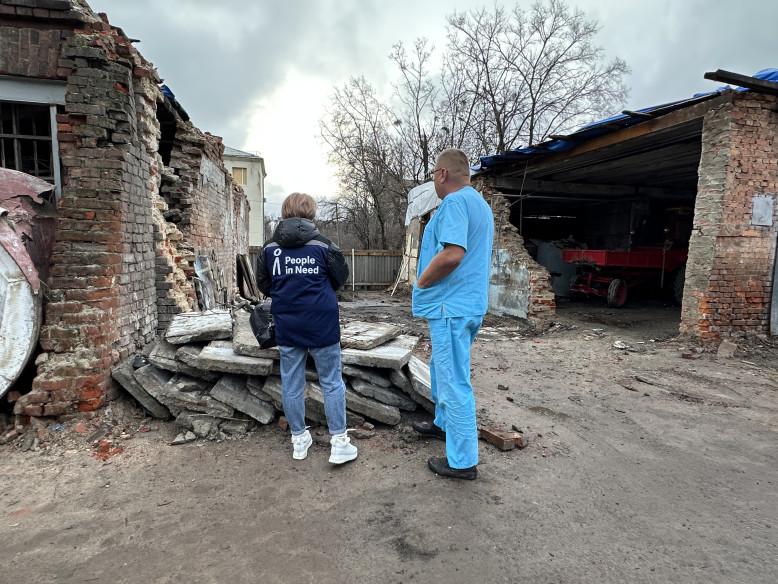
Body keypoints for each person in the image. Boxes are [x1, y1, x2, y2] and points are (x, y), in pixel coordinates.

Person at [256, 192, 357, 465]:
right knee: (332, 381)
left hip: (287, 322)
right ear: (311, 214)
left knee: (291, 383)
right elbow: (340, 279)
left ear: (285, 212)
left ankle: (299, 441)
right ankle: (340, 443)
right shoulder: (325, 246)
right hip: (322, 322)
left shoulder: (268, 249)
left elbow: (264, 285)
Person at [411, 148, 494, 480]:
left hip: (451, 307)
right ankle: (442, 424)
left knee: (453, 380)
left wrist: (421, 282)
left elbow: (452, 255)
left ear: (443, 174)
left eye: (434, 173)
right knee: (442, 367)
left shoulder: (455, 202)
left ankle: (462, 462)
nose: (433, 179)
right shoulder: (480, 204)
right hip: (467, 305)